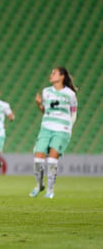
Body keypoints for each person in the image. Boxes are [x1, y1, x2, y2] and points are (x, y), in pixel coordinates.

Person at [30, 67, 77, 199]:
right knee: (38, 160)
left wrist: (69, 128)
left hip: (61, 129)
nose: (51, 75)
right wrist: (39, 105)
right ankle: (39, 185)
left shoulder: (70, 94)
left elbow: (73, 112)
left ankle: (50, 190)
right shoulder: (46, 92)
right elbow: (46, 111)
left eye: (54, 73)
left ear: (61, 77)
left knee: (51, 160)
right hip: (46, 128)